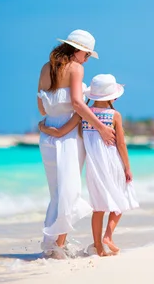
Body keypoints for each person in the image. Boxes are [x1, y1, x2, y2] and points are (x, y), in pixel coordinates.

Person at [39, 74, 139, 257]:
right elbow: (121, 144)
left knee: (99, 207)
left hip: (93, 167)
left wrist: (44, 128)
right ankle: (108, 236)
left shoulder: (83, 114)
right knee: (122, 200)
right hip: (113, 163)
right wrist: (127, 167)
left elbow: (61, 131)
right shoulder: (115, 115)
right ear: (113, 97)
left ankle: (99, 247)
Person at [37, 30, 116, 258]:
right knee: (69, 191)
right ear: (78, 50)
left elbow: (42, 107)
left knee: (57, 192)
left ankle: (55, 244)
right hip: (70, 137)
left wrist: (48, 126)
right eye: (87, 54)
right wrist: (101, 128)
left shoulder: (45, 68)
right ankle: (57, 247)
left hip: (48, 136)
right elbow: (78, 104)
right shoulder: (76, 68)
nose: (87, 59)